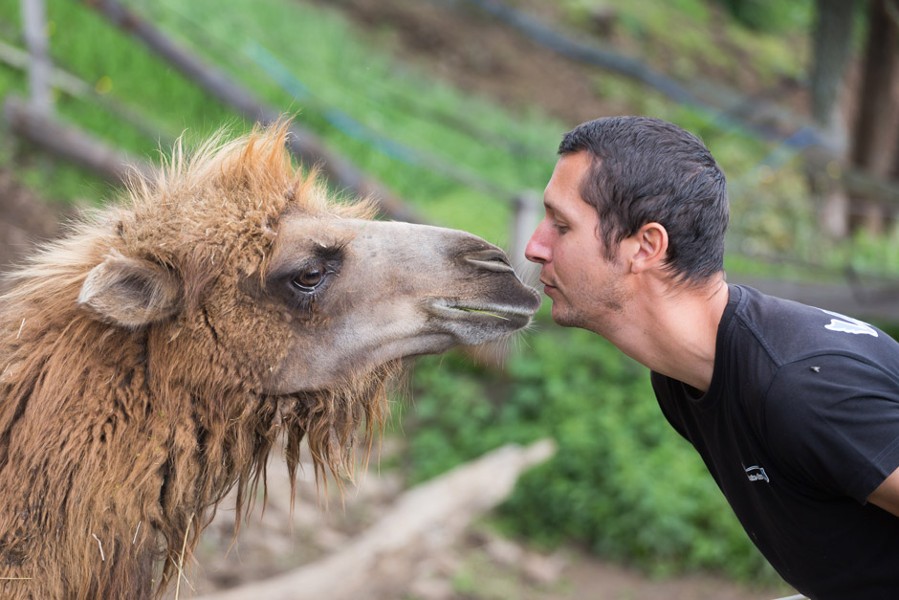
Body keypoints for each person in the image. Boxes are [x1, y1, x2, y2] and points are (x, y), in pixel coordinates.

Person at [524, 115, 899, 599]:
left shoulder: (800, 387)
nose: (535, 246)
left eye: (561, 225)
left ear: (646, 246)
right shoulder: (684, 378)